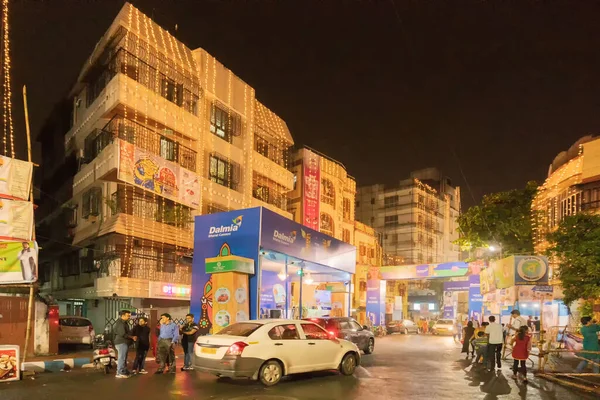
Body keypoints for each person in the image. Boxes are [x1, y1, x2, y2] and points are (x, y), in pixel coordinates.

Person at [113, 310, 137, 379]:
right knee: (122, 358)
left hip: (123, 342)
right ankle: (119, 372)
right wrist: (132, 337)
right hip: (121, 342)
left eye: (129, 315)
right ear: (122, 316)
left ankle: (124, 371)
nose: (129, 317)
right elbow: (123, 334)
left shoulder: (124, 322)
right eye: (128, 315)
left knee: (124, 358)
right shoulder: (120, 323)